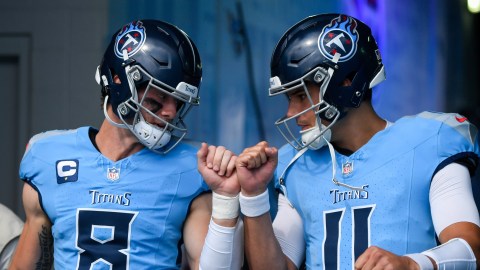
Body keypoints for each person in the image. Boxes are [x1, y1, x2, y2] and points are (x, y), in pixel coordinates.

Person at [234, 14, 480, 269]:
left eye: (300, 95)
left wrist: (411, 264)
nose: (291, 112)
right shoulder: (296, 164)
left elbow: (469, 249)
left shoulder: (432, 141)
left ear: (346, 82)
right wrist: (253, 196)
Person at [9, 19, 243, 269]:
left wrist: (226, 202)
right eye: (160, 97)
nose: (171, 113)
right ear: (119, 82)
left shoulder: (191, 167)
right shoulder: (49, 157)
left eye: (178, 102)